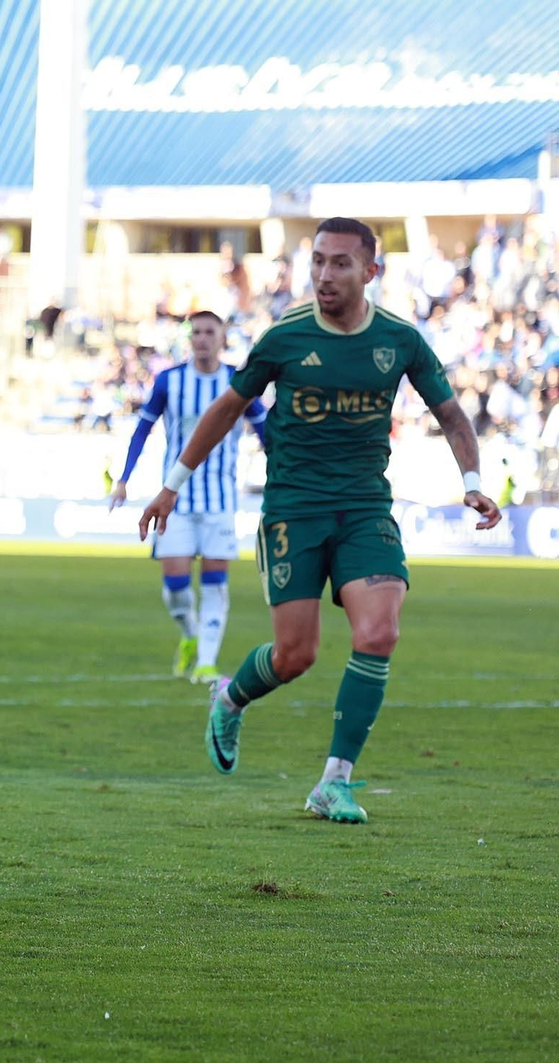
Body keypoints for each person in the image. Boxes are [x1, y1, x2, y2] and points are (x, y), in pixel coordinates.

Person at [138, 218, 502, 824]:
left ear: (371, 272)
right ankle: (230, 697)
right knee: (295, 654)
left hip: (365, 509)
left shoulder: (399, 341)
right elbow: (228, 408)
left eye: (340, 263)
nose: (324, 275)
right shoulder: (284, 338)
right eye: (318, 262)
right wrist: (171, 485)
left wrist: (472, 484)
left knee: (379, 633)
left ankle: (335, 782)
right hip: (294, 509)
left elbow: (452, 415)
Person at [109, 311, 266, 684]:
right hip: (175, 501)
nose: (201, 338)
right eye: (195, 332)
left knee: (215, 583)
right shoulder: (170, 380)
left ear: (222, 338)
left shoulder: (238, 383)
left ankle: (208, 663)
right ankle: (191, 637)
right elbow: (142, 431)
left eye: (209, 332)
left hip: (220, 501)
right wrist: (124, 478)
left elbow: (265, 432)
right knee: (175, 588)